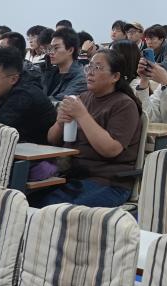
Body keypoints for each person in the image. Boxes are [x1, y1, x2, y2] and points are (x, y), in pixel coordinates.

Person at [42, 48, 143, 208]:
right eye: (89, 66)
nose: (90, 72)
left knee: (59, 211)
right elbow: (52, 140)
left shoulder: (124, 104)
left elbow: (111, 150)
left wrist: (82, 115)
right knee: (29, 199)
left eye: (98, 68)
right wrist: (60, 122)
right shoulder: (82, 98)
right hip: (73, 176)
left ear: (115, 77)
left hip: (109, 182)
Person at [41, 28, 88, 102]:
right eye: (50, 48)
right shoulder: (49, 72)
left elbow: (61, 101)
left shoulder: (81, 78)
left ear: (70, 50)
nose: (51, 52)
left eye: (56, 48)